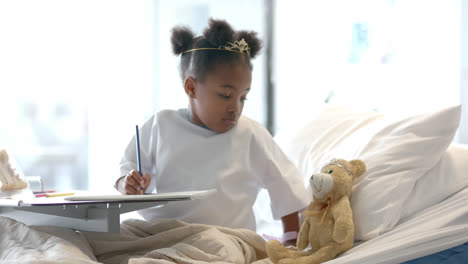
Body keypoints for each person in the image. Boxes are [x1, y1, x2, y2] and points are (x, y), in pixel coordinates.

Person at [114, 18, 310, 245]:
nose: (235, 108)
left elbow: (284, 183)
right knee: (88, 237)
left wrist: (291, 240)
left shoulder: (250, 133)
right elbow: (126, 169)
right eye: (226, 95)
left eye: (243, 97)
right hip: (165, 234)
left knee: (220, 251)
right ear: (191, 88)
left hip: (227, 237)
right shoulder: (161, 124)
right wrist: (128, 184)